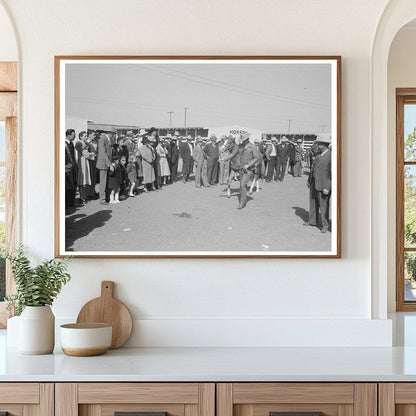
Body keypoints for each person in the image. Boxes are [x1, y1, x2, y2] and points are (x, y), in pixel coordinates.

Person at [223, 132, 261, 209]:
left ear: (247, 139)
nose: (242, 141)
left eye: (243, 139)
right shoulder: (240, 146)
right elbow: (233, 154)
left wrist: (249, 165)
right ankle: (244, 198)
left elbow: (257, 157)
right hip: (240, 169)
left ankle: (242, 203)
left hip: (249, 169)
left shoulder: (252, 147)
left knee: (242, 184)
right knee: (242, 186)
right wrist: (224, 159)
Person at [305, 134, 332, 233]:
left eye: (319, 143)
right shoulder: (318, 155)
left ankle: (325, 225)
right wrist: (309, 180)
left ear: (324, 145)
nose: (317, 145)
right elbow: (312, 169)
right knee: (313, 203)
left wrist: (328, 187)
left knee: (324, 206)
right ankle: (312, 221)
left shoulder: (331, 156)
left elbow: (332, 174)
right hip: (314, 183)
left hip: (324, 185)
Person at [75, 131, 93, 204]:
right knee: (81, 179)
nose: (86, 137)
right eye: (85, 136)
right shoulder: (79, 143)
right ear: (81, 137)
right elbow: (82, 152)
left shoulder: (86, 143)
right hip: (81, 162)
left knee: (85, 179)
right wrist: (90, 154)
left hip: (85, 162)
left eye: (86, 136)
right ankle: (81, 197)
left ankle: (84, 196)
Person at [96, 132, 112, 205]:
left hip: (106, 163)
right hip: (103, 164)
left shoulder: (106, 139)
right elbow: (103, 153)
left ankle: (105, 198)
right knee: (103, 183)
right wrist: (109, 164)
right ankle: (102, 199)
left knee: (105, 182)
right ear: (111, 133)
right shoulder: (103, 139)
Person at [64, 128, 78, 208]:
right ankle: (67, 204)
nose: (74, 136)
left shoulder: (71, 143)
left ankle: (72, 203)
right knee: (68, 186)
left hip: (72, 167)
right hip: (67, 167)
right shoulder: (64, 144)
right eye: (73, 135)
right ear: (68, 135)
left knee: (73, 185)